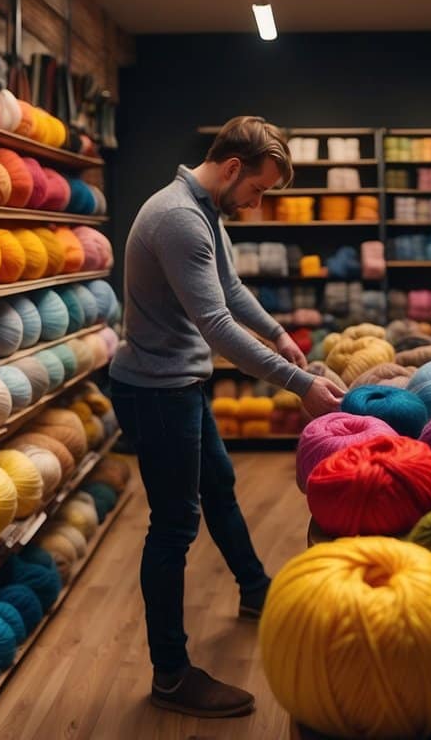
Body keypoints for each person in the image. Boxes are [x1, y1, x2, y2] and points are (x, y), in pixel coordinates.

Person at [109, 115, 344, 718]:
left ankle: (256, 590)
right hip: (158, 393)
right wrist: (298, 384)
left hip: (179, 383)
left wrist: (282, 338)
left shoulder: (205, 209)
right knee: (173, 527)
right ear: (234, 167)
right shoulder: (180, 218)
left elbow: (230, 290)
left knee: (217, 484)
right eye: (259, 190)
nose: (257, 202)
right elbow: (215, 325)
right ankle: (169, 675)